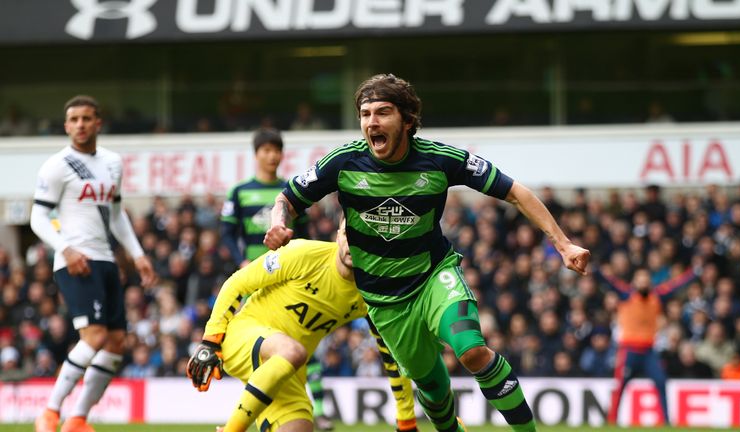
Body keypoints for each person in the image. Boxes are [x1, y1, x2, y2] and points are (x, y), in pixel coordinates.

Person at [265, 73, 591, 432]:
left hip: (434, 276)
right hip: (384, 300)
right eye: (365, 113)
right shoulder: (343, 163)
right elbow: (286, 199)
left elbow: (515, 192)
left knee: (471, 350)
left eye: (383, 112)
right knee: (434, 392)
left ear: (407, 119)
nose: (372, 122)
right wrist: (278, 223)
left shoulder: (440, 159)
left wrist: (563, 243)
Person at [187, 218, 418, 432]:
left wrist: (406, 419)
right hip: (245, 336)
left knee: (300, 427)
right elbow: (237, 283)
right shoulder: (303, 253)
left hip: (288, 371)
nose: (352, 245)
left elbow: (392, 357)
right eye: (349, 234)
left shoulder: (373, 294)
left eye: (363, 239)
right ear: (338, 234)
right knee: (293, 350)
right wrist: (210, 340)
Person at [30, 95, 156, 432]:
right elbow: (37, 217)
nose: (80, 125)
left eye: (87, 119)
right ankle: (50, 412)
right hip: (75, 261)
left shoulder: (113, 163)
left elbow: (116, 215)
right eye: (74, 120)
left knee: (115, 343)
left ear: (98, 122)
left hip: (106, 261)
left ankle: (78, 419)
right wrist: (66, 249)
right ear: (67, 125)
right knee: (95, 335)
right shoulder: (57, 165)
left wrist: (138, 253)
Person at [219, 128, 335, 430]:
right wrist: (240, 260)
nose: (272, 156)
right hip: (254, 278)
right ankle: (259, 409)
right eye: (266, 150)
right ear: (256, 154)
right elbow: (227, 233)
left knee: (303, 343)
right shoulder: (240, 192)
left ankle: (319, 410)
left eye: (276, 150)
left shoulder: (291, 192)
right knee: (259, 344)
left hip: (288, 280)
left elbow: (306, 237)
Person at [599, 266, 697, 426]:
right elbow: (609, 282)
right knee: (620, 386)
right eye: (640, 280)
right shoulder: (625, 295)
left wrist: (694, 273)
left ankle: (666, 422)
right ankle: (612, 422)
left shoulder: (657, 297)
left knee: (661, 381)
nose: (644, 283)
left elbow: (677, 286)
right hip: (629, 350)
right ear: (635, 282)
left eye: (646, 280)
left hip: (649, 351)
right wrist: (595, 269)